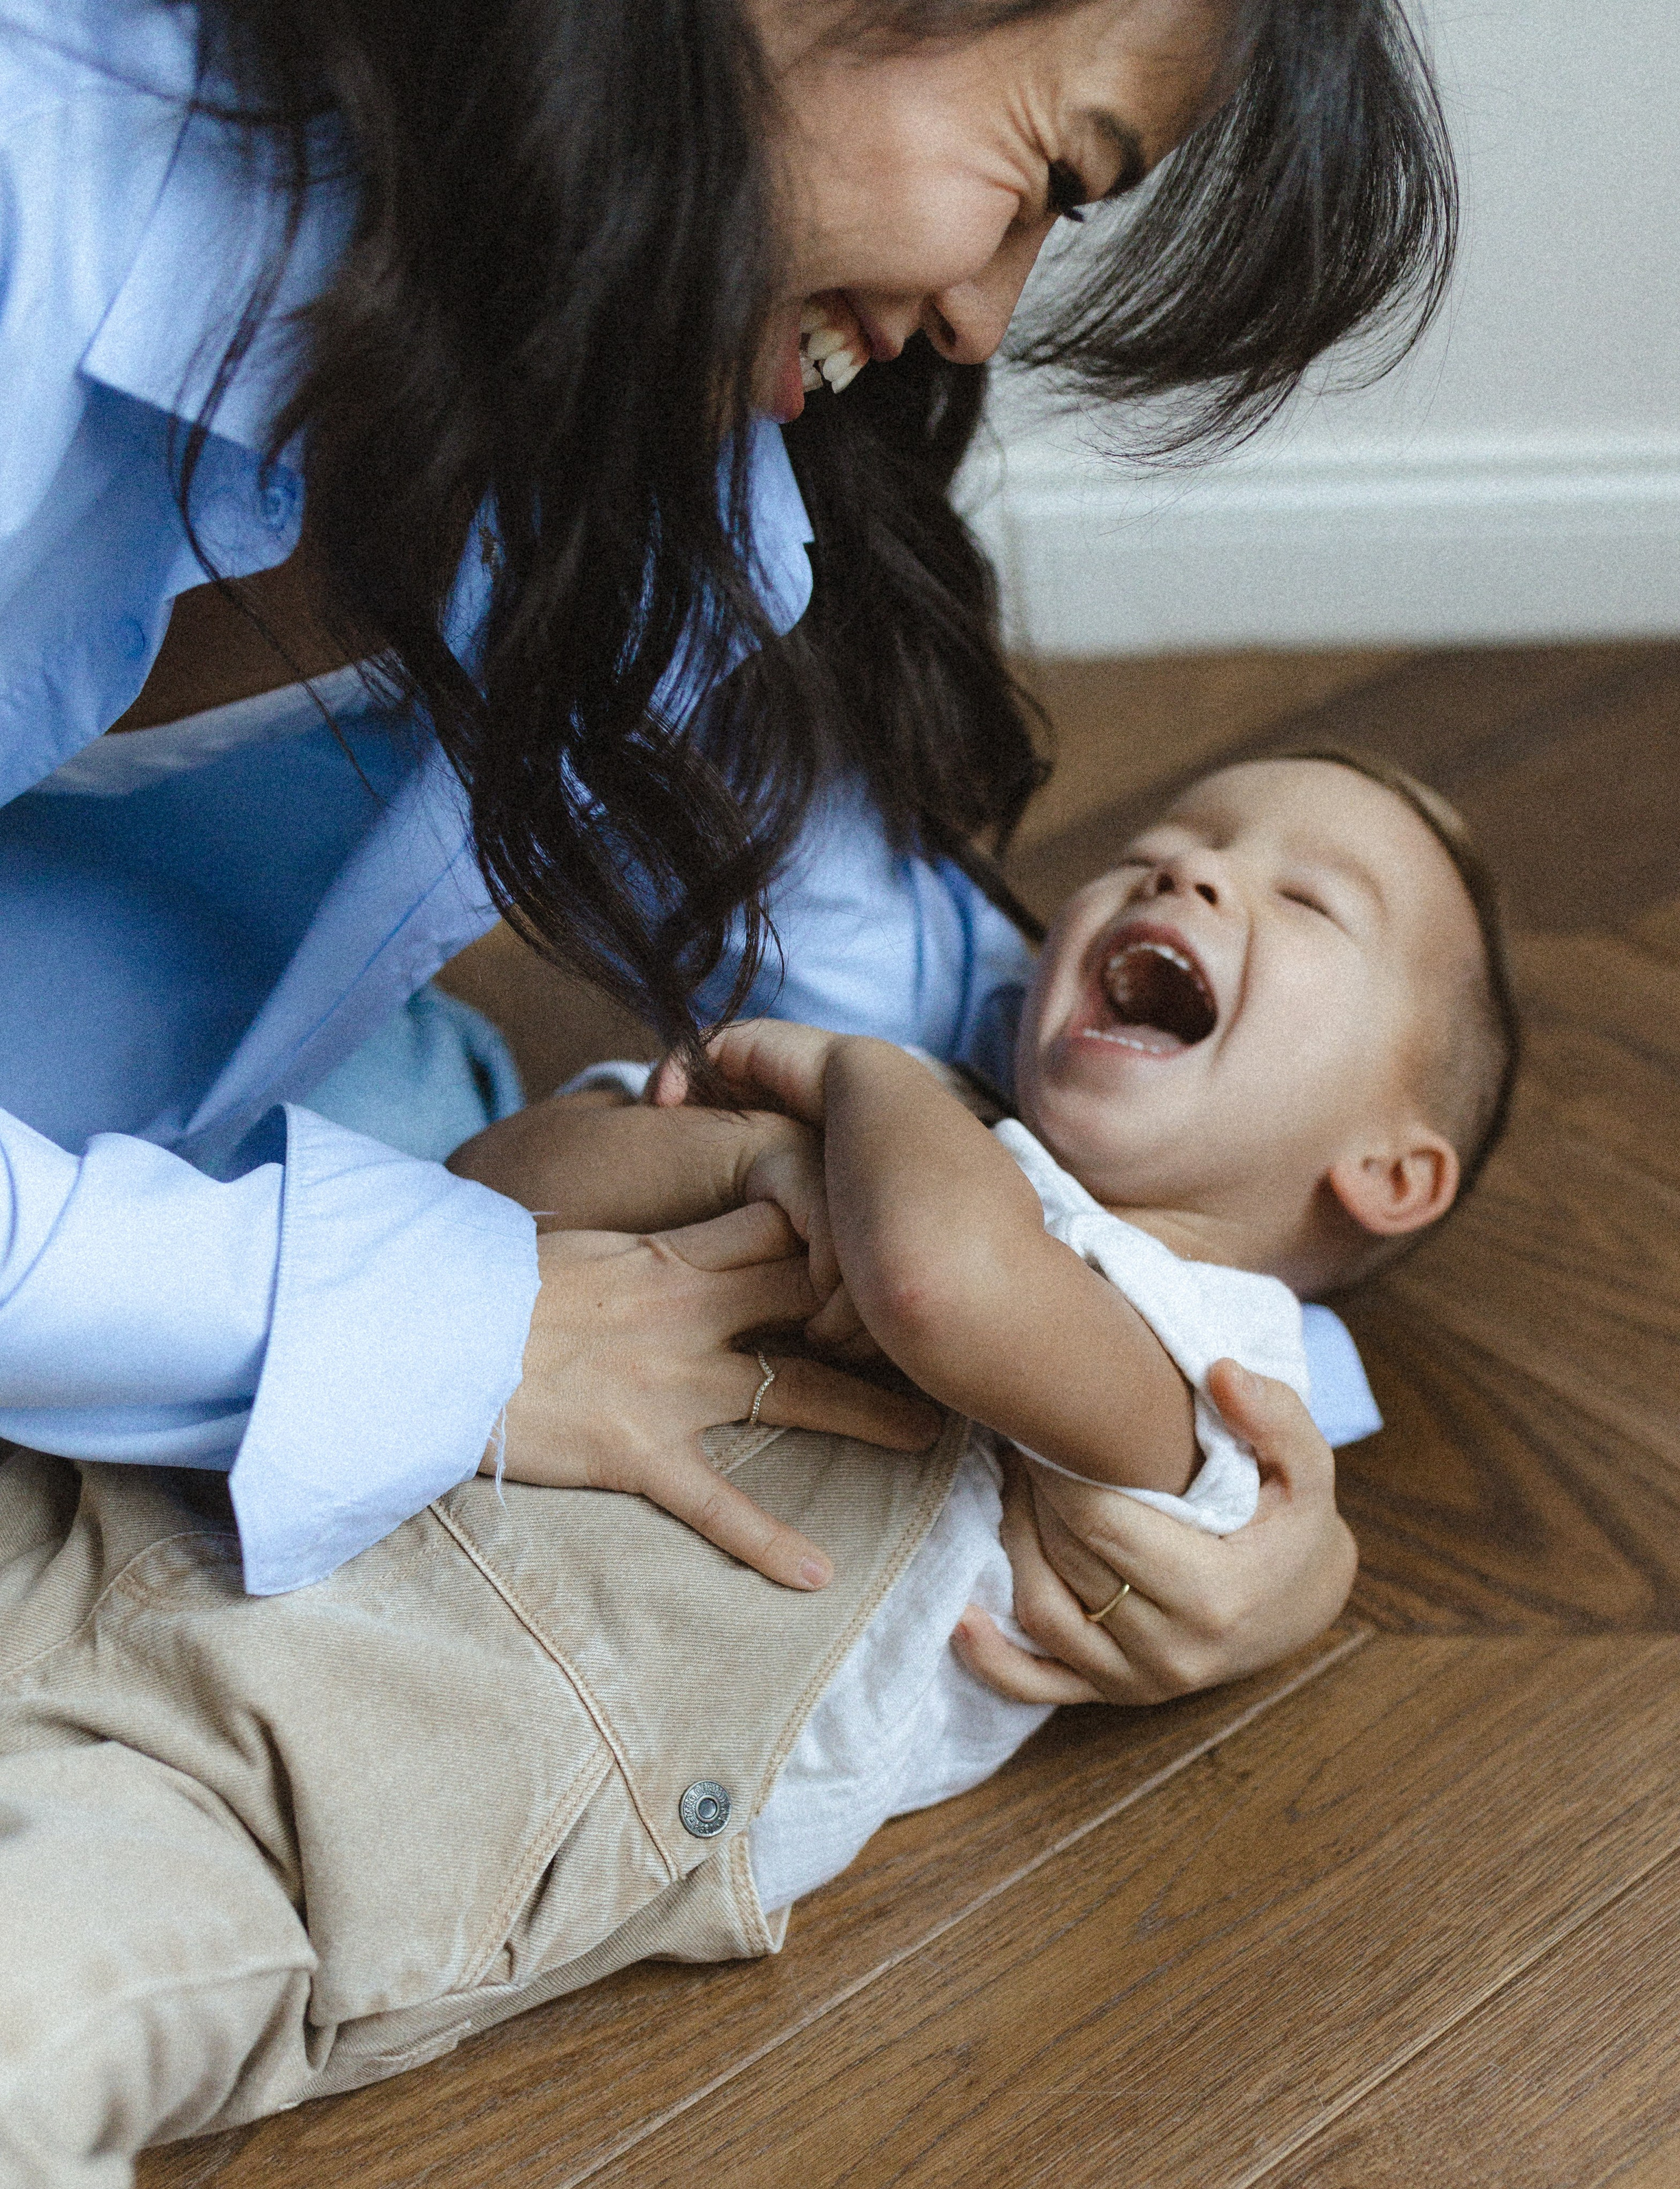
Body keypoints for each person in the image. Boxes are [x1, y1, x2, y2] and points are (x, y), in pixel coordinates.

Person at [0, 1, 1453, 1671]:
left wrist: (1232, 1468)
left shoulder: (658, 472)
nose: (983, 318)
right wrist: (454, 1326)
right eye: (1048, 173)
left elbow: (909, 997)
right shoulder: (37, 190)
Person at [0, 754, 1520, 2184]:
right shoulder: (878, 1123)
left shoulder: (1208, 1369)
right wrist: (740, 1157)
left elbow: (943, 1290)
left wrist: (866, 1085)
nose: (1186, 880)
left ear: (1387, 1170)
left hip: (332, 1806)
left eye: (1305, 898)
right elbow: (500, 1177)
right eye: (1155, 853)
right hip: (167, 1492)